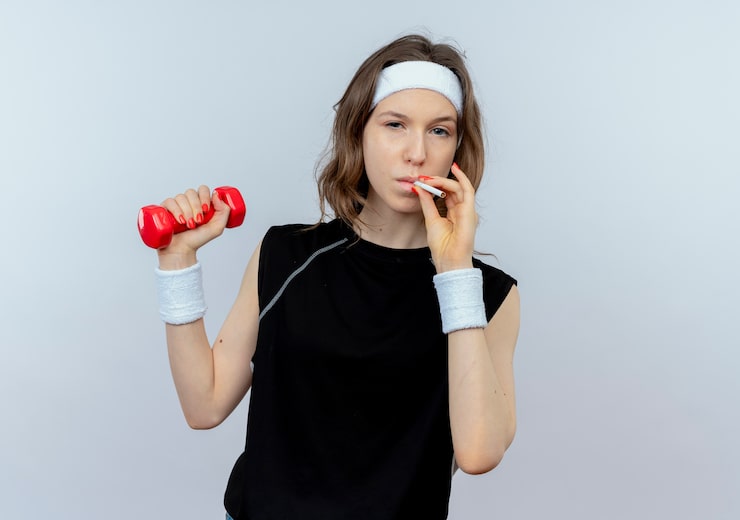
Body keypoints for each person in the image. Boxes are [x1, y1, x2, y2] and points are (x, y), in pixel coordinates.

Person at [152, 34, 520, 520]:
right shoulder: (286, 255)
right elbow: (204, 405)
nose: (416, 152)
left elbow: (478, 452)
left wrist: (454, 269)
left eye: (439, 130)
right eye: (394, 124)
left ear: (457, 146)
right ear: (358, 132)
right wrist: (177, 259)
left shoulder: (487, 292)